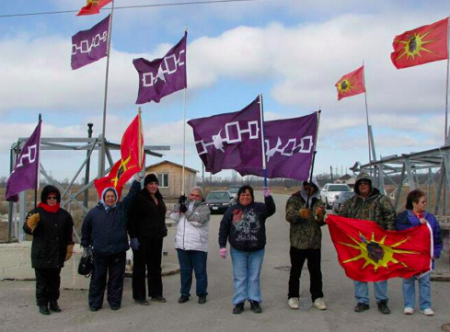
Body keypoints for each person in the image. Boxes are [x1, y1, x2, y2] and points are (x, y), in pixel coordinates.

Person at [81, 172, 143, 311]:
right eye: (108, 196)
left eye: (112, 196)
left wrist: (137, 181)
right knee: (98, 279)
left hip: (118, 251)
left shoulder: (121, 209)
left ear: (116, 198)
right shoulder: (94, 213)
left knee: (116, 279)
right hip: (100, 252)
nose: (110, 198)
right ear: (103, 197)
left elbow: (132, 196)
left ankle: (114, 302)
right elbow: (85, 229)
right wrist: (85, 246)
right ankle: (95, 303)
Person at [340, 172, 396, 314]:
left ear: (370, 184)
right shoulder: (351, 202)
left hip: (378, 243)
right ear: (357, 186)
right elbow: (342, 220)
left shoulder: (381, 200)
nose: (363, 185)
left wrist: (389, 236)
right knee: (359, 271)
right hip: (358, 244)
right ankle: (362, 301)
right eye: (360, 183)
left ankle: (382, 301)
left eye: (365, 183)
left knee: (380, 271)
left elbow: (390, 217)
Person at [218, 185, 276, 314]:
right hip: (238, 250)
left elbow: (271, 210)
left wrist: (268, 197)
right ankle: (239, 302)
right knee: (240, 277)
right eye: (243, 195)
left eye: (248, 195)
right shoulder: (232, 210)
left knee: (254, 277)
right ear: (239, 196)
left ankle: (254, 300)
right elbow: (224, 227)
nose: (245, 197)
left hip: (257, 250)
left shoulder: (259, 207)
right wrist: (222, 246)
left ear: (252, 196)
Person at [23, 185, 74, 315]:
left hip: (57, 253)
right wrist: (30, 224)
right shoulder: (36, 213)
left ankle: (54, 302)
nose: (52, 200)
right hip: (41, 254)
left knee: (55, 280)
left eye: (54, 197)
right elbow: (27, 230)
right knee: (42, 281)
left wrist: (69, 246)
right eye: (49, 197)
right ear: (45, 198)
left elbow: (68, 233)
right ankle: (42, 304)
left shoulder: (64, 215)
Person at [395, 189, 442, 316]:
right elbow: (400, 231)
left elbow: (437, 235)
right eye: (422, 202)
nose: (425, 204)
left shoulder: (430, 218)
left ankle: (425, 306)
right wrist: (417, 222)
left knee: (425, 281)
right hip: (409, 255)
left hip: (425, 256)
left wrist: (436, 252)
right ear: (414, 203)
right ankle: (409, 305)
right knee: (408, 281)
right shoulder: (403, 217)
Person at [285, 177, 327, 311]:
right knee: (295, 271)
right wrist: (300, 213)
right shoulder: (294, 199)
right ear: (303, 186)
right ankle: (293, 296)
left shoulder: (318, 201)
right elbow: (289, 216)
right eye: (306, 186)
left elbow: (321, 221)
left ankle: (317, 297)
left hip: (314, 243)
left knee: (315, 272)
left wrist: (320, 217)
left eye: (312, 186)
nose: (309, 188)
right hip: (298, 243)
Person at [128, 173, 168, 305]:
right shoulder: (139, 198)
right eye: (151, 183)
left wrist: (163, 230)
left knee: (155, 266)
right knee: (140, 267)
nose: (154, 186)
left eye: (156, 183)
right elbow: (131, 218)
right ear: (146, 185)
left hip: (156, 238)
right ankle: (139, 296)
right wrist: (133, 236)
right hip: (142, 238)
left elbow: (160, 217)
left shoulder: (158, 198)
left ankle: (156, 293)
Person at [170, 186, 210, 304]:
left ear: (201, 197)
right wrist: (179, 204)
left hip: (198, 246)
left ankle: (202, 293)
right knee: (185, 272)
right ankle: (184, 293)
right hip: (182, 245)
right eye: (192, 195)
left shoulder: (204, 208)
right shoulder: (184, 206)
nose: (194, 197)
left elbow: (198, 221)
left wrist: (186, 211)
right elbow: (173, 216)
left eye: (197, 195)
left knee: (200, 272)